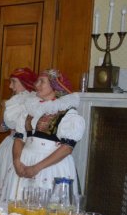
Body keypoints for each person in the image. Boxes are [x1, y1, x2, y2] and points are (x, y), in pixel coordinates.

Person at [6, 69, 84, 198]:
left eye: (42, 82)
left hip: (51, 166)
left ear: (55, 86)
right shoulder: (30, 109)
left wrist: (37, 168)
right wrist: (16, 162)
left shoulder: (67, 113)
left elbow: (67, 148)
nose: (37, 85)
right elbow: (19, 138)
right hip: (25, 162)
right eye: (37, 81)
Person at [0, 68, 37, 201]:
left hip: (23, 146)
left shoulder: (31, 100)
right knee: (2, 180)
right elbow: (1, 128)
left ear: (25, 83)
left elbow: (4, 127)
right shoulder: (14, 101)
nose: (10, 86)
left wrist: (5, 106)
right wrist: (4, 106)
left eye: (14, 82)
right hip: (10, 144)